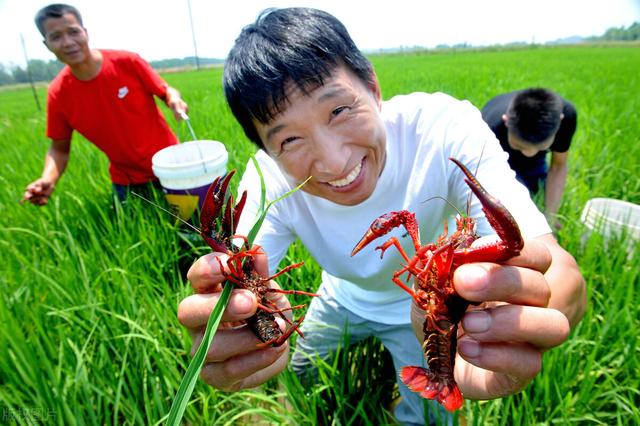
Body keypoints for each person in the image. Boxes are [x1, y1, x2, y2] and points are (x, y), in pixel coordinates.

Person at [177, 8, 586, 425]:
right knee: (297, 374)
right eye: (290, 139)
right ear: (266, 150)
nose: (334, 163)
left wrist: (524, 323)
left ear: (372, 86)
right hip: (338, 298)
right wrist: (232, 326)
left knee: (427, 418)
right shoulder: (268, 181)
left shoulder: (445, 129)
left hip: (426, 317)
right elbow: (241, 267)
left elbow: (555, 266)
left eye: (338, 111)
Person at [22, 3, 188, 206]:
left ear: (85, 32)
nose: (67, 42)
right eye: (56, 37)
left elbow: (166, 91)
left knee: (192, 230)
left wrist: (174, 100)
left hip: (171, 165)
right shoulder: (58, 94)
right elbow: (59, 149)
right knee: (135, 233)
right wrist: (48, 179)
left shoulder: (127, 62)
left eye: (73, 32)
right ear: (46, 44)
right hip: (126, 180)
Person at [481, 88, 577, 227]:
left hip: (532, 159)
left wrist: (550, 217)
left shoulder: (566, 117)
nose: (529, 153)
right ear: (506, 120)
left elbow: (558, 166)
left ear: (559, 123)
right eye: (520, 146)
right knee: (508, 202)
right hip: (501, 152)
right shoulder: (489, 127)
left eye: (541, 147)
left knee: (534, 193)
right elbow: (484, 179)